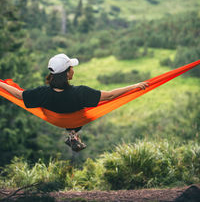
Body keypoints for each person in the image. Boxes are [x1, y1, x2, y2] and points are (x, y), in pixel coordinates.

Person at [0, 53, 149, 152]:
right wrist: (134, 86)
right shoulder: (81, 92)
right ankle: (73, 133)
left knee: (67, 114)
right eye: (71, 68)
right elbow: (109, 96)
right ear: (67, 73)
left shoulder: (42, 93)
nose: (73, 70)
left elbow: (18, 95)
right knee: (81, 112)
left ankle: (72, 133)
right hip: (75, 118)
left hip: (56, 119)